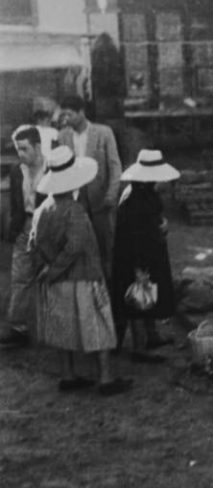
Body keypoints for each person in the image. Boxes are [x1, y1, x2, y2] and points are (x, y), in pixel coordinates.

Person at [30, 146, 132, 396]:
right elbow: (75, 246)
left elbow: (34, 243)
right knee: (98, 327)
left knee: (64, 329)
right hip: (83, 278)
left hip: (57, 282)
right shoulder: (74, 210)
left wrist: (49, 269)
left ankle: (68, 374)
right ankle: (106, 378)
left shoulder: (42, 210)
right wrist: (57, 268)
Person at [112, 149, 179, 362]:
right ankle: (139, 347)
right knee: (138, 300)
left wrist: (161, 226)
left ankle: (152, 335)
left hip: (150, 252)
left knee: (150, 295)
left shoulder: (146, 192)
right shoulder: (133, 200)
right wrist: (139, 267)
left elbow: (153, 219)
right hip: (135, 256)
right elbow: (133, 237)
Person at [58, 94, 123, 278]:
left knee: (105, 248)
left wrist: (111, 195)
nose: (65, 119)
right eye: (63, 115)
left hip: (100, 200)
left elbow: (115, 165)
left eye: (69, 114)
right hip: (74, 201)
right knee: (77, 248)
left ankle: (109, 292)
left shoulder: (103, 133)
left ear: (81, 112)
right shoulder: (63, 136)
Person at [0, 126, 48, 348]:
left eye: (24, 149)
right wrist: (14, 228)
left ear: (38, 147)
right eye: (18, 149)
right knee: (20, 277)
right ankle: (19, 328)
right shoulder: (17, 171)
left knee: (50, 276)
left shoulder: (52, 168)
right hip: (25, 226)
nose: (20, 154)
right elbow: (15, 203)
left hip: (48, 227)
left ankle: (55, 328)